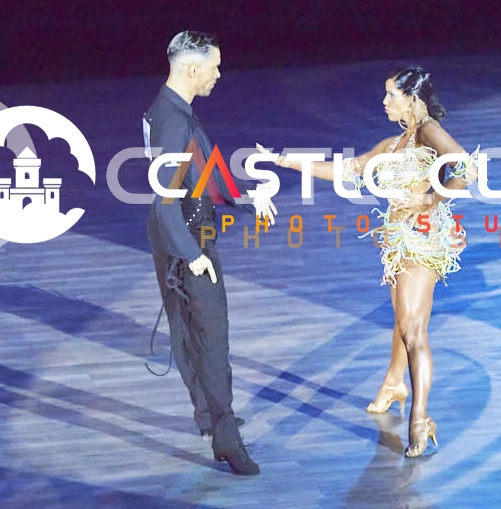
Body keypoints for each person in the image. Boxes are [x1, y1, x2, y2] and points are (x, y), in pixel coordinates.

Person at [264, 66, 476, 457]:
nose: (384, 101)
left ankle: (420, 419)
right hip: (396, 242)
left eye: (391, 94)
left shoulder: (427, 130)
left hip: (421, 239)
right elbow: (348, 170)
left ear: (412, 99)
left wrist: (431, 199)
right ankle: (395, 384)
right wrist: (288, 162)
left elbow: (466, 167)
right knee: (403, 324)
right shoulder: (392, 144)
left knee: (413, 330)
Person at [143, 30, 276, 475]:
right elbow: (165, 200)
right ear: (193, 68)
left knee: (193, 332)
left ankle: (212, 417)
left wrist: (246, 199)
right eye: (215, 67)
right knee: (211, 337)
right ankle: (226, 437)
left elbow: (202, 172)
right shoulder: (173, 121)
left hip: (183, 232)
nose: (219, 74)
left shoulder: (171, 110)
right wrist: (191, 253)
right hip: (187, 237)